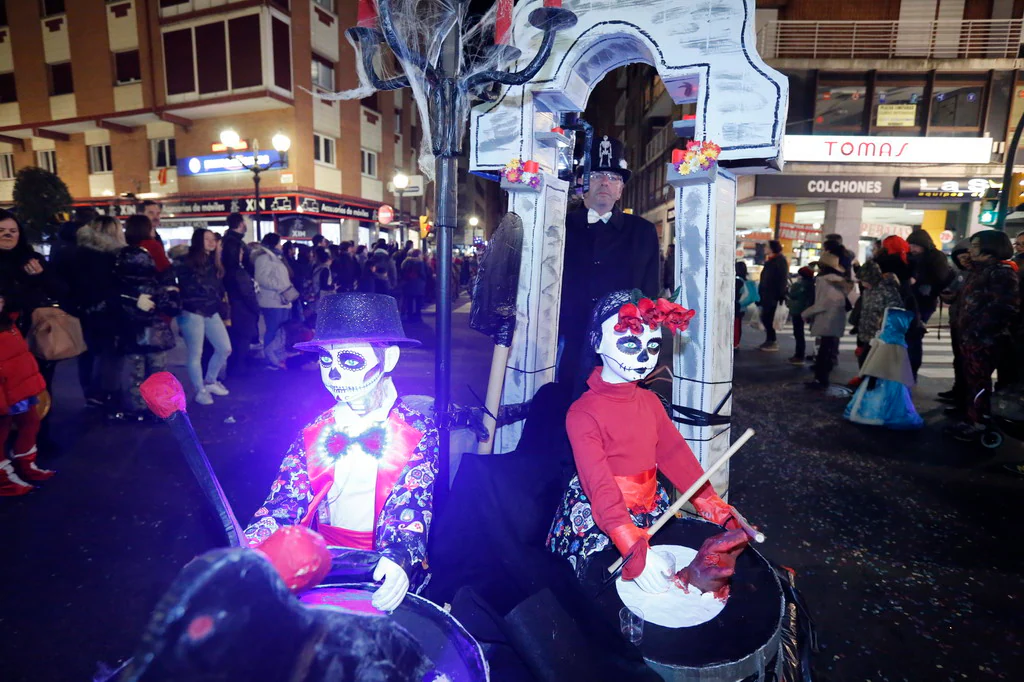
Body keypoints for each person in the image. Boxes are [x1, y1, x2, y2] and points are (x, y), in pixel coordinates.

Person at [244, 293, 438, 612]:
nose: (333, 375)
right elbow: (286, 497)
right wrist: (252, 545)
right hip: (324, 566)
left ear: (387, 360)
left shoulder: (415, 431)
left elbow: (412, 502)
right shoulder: (315, 431)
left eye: (349, 360)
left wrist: (399, 556)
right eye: (325, 360)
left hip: (382, 568)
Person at [546, 290, 747, 589]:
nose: (644, 357)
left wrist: (714, 507)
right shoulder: (583, 413)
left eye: (653, 345)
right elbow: (598, 483)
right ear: (597, 342)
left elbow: (676, 455)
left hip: (651, 508)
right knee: (606, 594)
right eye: (629, 343)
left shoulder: (651, 402)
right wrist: (628, 542)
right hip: (602, 515)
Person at [558, 135, 660, 382]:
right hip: (568, 338)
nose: (605, 182)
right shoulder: (560, 226)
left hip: (623, 342)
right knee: (567, 404)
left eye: (613, 177)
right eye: (595, 175)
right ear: (582, 182)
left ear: (620, 190)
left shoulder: (643, 231)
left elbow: (649, 290)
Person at [946, 230, 1020, 441]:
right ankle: (973, 418)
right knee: (973, 381)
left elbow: (1006, 307)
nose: (971, 249)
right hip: (971, 337)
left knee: (979, 382)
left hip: (985, 340)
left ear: (991, 248)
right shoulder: (979, 271)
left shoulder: (1001, 272)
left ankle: (978, 422)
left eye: (976, 245)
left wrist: (978, 329)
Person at [0, 210, 66, 424]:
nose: (8, 235)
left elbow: (60, 290)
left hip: (32, 333)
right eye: (1, 231)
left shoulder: (31, 259)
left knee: (37, 387)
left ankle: (38, 436)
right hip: (4, 338)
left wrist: (41, 275)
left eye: (13, 231)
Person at [113, 214, 179, 422]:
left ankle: (139, 408)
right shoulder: (153, 249)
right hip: (154, 324)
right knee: (157, 371)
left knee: (136, 372)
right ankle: (159, 409)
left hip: (131, 325)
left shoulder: (119, 259)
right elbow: (168, 287)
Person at [69, 216, 126, 410]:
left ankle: (91, 393)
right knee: (108, 353)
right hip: (105, 311)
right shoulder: (110, 256)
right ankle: (106, 393)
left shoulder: (76, 252)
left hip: (83, 311)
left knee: (87, 353)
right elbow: (110, 286)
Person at [0, 293, 54, 496]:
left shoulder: (8, 318)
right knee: (2, 429)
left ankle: (25, 464)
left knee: (30, 421)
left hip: (18, 382)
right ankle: (4, 479)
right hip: (4, 385)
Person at [174, 229, 232, 405]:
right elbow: (182, 284)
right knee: (195, 354)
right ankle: (200, 390)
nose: (211, 242)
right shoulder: (186, 262)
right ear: (198, 240)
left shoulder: (214, 263)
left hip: (210, 310)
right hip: (191, 311)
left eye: (213, 239)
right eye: (206, 239)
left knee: (225, 348)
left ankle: (210, 381)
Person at [844, 306, 923, 430]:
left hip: (879, 378)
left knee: (880, 398)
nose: (879, 321)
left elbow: (877, 363)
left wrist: (869, 375)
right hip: (895, 380)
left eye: (882, 319)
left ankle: (874, 416)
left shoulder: (886, 341)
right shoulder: (897, 341)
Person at [801, 251, 852, 389]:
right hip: (836, 319)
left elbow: (823, 302)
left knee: (823, 351)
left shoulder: (824, 281)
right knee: (827, 350)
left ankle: (820, 380)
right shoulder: (839, 281)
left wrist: (806, 313)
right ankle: (823, 378)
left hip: (826, 319)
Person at [937, 240, 972, 416]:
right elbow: (950, 293)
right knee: (959, 360)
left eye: (967, 256)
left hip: (969, 325)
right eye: (960, 257)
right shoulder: (959, 274)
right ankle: (958, 392)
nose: (964, 260)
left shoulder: (977, 274)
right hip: (957, 321)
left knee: (967, 364)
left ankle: (966, 404)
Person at [251, 233, 294, 370]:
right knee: (273, 329)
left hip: (280, 299)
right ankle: (270, 357)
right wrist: (280, 285)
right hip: (271, 300)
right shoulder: (264, 258)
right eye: (279, 242)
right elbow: (261, 278)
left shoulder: (275, 257)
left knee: (280, 329)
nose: (281, 245)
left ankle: (278, 355)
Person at [854, 260, 903, 367]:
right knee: (864, 362)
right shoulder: (868, 291)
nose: (862, 283)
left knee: (875, 365)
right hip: (867, 334)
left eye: (864, 280)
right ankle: (865, 382)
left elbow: (895, 311)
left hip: (879, 335)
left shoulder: (887, 290)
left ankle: (871, 383)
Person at [906, 230, 952, 327]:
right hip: (909, 299)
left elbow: (940, 277)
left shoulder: (936, 257)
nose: (912, 249)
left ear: (923, 245)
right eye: (910, 245)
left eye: (915, 246)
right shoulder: (909, 257)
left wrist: (919, 281)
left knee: (916, 330)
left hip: (926, 299)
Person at [757, 240, 788, 352]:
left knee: (768, 318)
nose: (765, 248)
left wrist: (780, 295)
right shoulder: (772, 260)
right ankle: (770, 340)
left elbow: (782, 280)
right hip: (767, 295)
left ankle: (772, 341)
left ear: (772, 248)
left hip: (772, 295)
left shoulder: (779, 261)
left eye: (767, 246)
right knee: (766, 317)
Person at [786, 266, 816, 364]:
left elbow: (792, 295)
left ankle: (799, 355)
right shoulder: (812, 285)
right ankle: (801, 354)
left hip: (797, 310)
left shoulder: (799, 285)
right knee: (800, 334)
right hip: (806, 310)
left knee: (798, 333)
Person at [400, 249, 428, 322]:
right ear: (418, 255)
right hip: (418, 284)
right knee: (418, 301)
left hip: (408, 284)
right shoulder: (420, 263)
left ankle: (410, 316)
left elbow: (402, 272)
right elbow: (423, 274)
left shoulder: (405, 262)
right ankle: (418, 317)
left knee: (409, 301)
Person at [734, 261, 757, 349]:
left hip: (737, 307)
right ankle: (737, 342)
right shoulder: (744, 280)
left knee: (735, 325)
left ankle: (734, 343)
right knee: (738, 325)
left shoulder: (737, 281)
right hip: (742, 307)